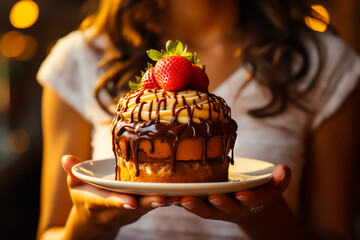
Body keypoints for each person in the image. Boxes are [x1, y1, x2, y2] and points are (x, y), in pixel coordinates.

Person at [36, 0, 359, 239]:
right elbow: (50, 231)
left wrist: (263, 217)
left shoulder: (325, 64)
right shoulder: (79, 57)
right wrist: (87, 224)